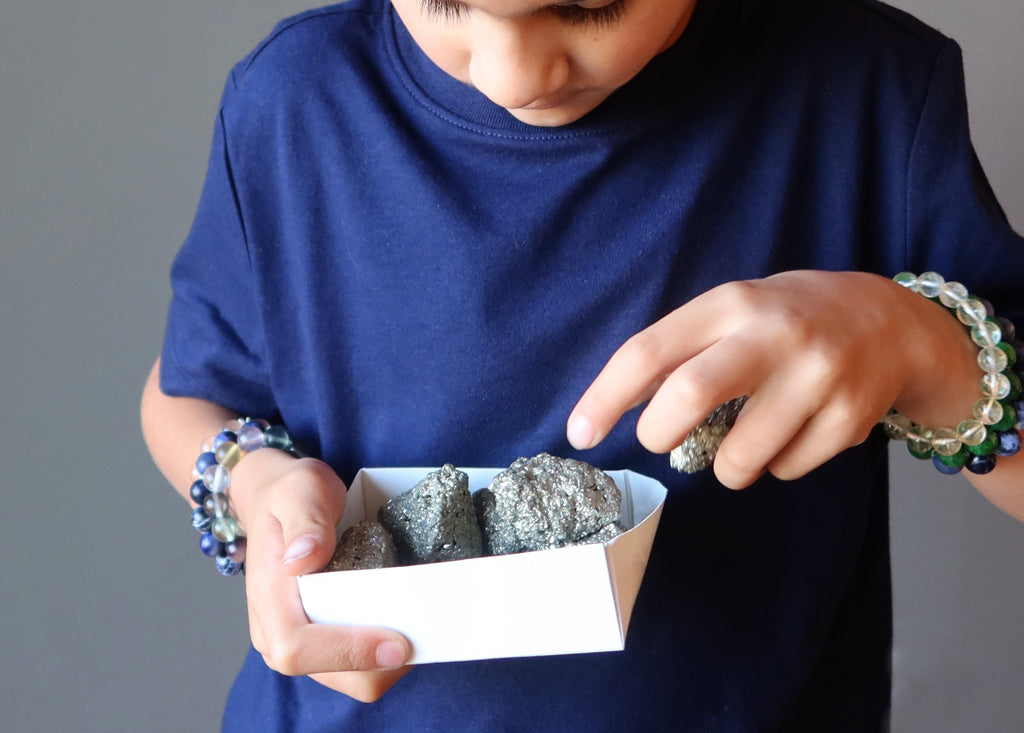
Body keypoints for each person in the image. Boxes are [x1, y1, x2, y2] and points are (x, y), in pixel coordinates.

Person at [140, 0, 1024, 728]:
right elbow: (187, 397)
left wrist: (924, 349)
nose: (514, 75)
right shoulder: (292, 102)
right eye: (448, 3)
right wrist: (255, 490)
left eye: (588, 6)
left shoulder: (868, 94)